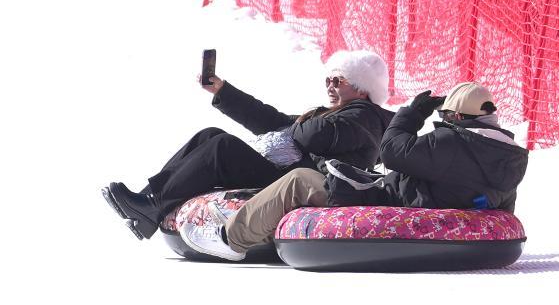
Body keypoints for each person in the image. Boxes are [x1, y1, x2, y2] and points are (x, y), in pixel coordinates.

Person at [179, 81, 529, 261]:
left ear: (456, 116)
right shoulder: (510, 156)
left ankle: (232, 239)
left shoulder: (451, 142)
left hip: (391, 200)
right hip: (429, 203)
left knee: (300, 180)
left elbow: (392, 151)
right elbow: (503, 204)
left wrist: (412, 113)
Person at [102, 50, 394, 241]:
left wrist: (301, 123)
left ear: (362, 89)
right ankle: (149, 199)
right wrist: (223, 92)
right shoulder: (339, 114)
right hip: (291, 172)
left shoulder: (365, 117)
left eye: (338, 80)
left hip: (305, 183)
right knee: (209, 135)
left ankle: (152, 207)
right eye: (328, 79)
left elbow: (309, 136)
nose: (330, 86)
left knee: (223, 148)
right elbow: (277, 122)